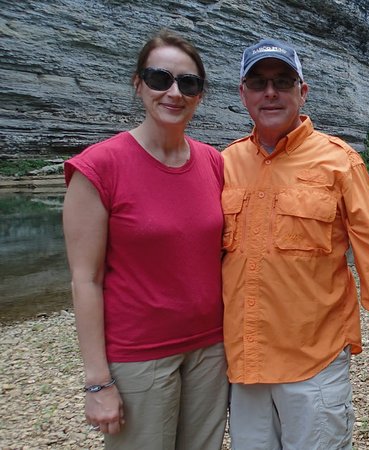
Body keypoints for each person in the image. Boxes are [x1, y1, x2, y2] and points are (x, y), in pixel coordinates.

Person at [221, 37, 369, 449]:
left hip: (313, 358)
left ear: (302, 93)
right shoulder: (223, 163)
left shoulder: (340, 161)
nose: (271, 92)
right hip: (244, 359)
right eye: (258, 82)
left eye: (283, 81)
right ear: (243, 94)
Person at [62, 30, 228, 449]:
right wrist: (98, 383)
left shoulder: (213, 162)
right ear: (138, 84)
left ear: (200, 95)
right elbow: (86, 279)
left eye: (188, 83)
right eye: (160, 78)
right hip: (140, 355)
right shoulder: (100, 166)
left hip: (211, 349)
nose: (174, 92)